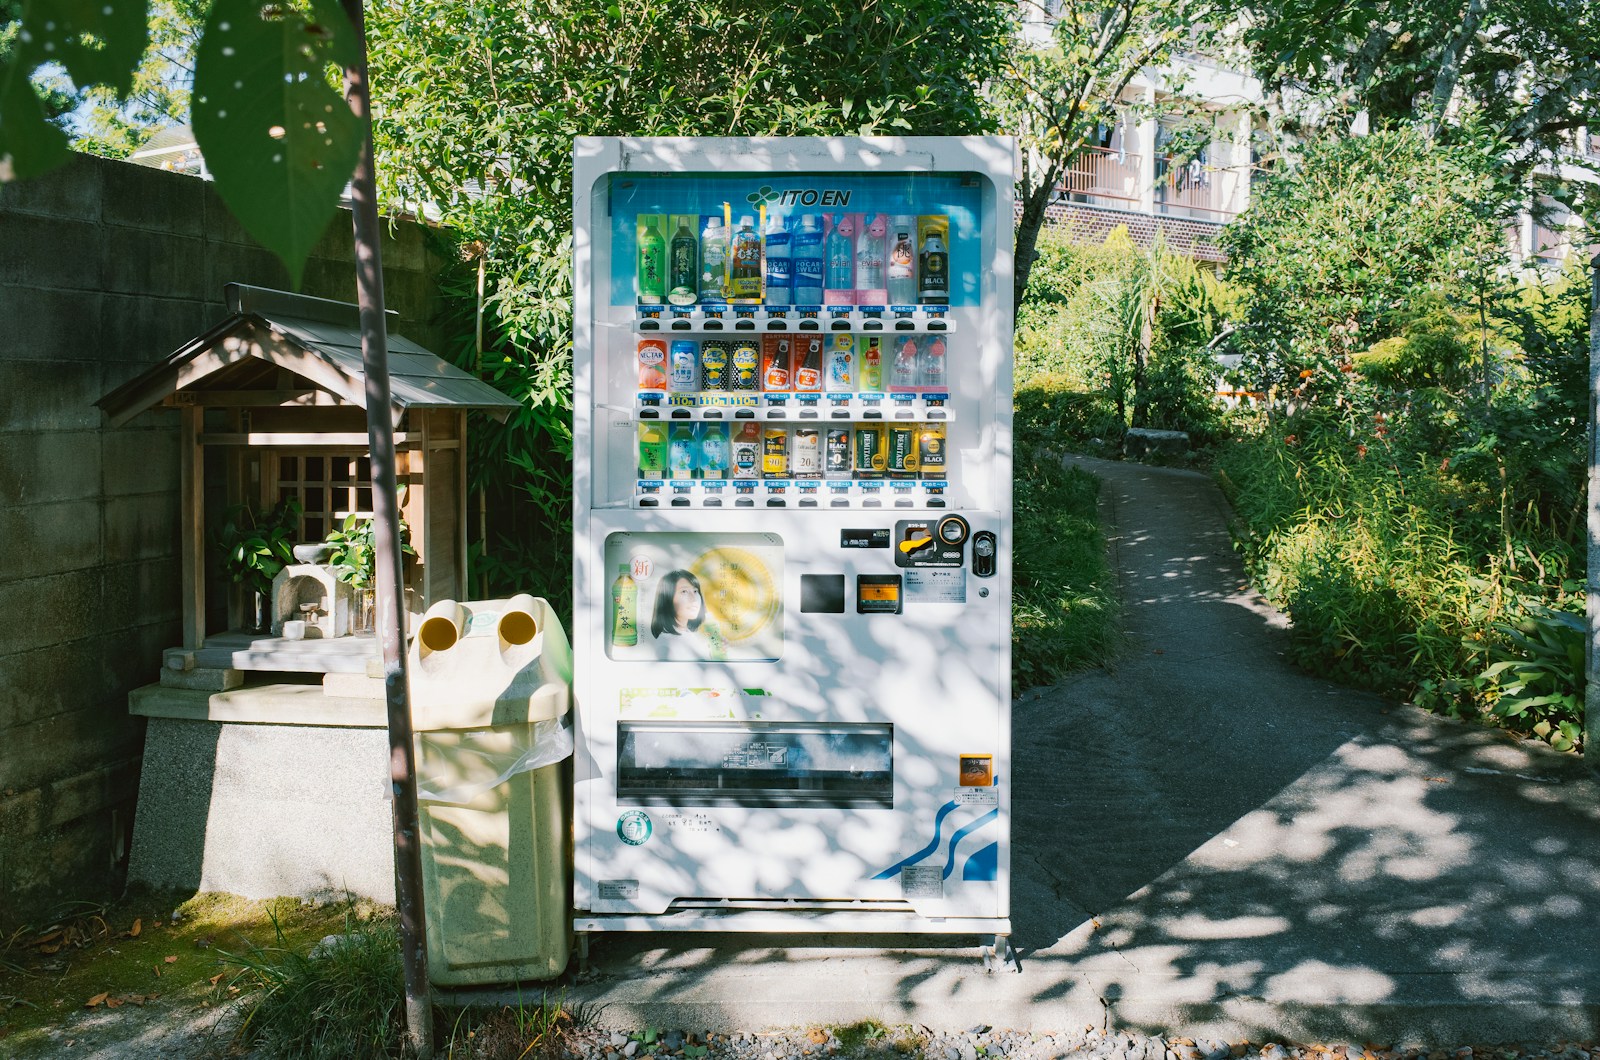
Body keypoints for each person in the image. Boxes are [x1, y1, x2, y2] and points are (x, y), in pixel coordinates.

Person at [649, 570, 726, 660]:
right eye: (684, 591)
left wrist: (712, 655)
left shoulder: (690, 635)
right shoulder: (666, 645)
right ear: (667, 598)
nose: (694, 598)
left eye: (695, 591)